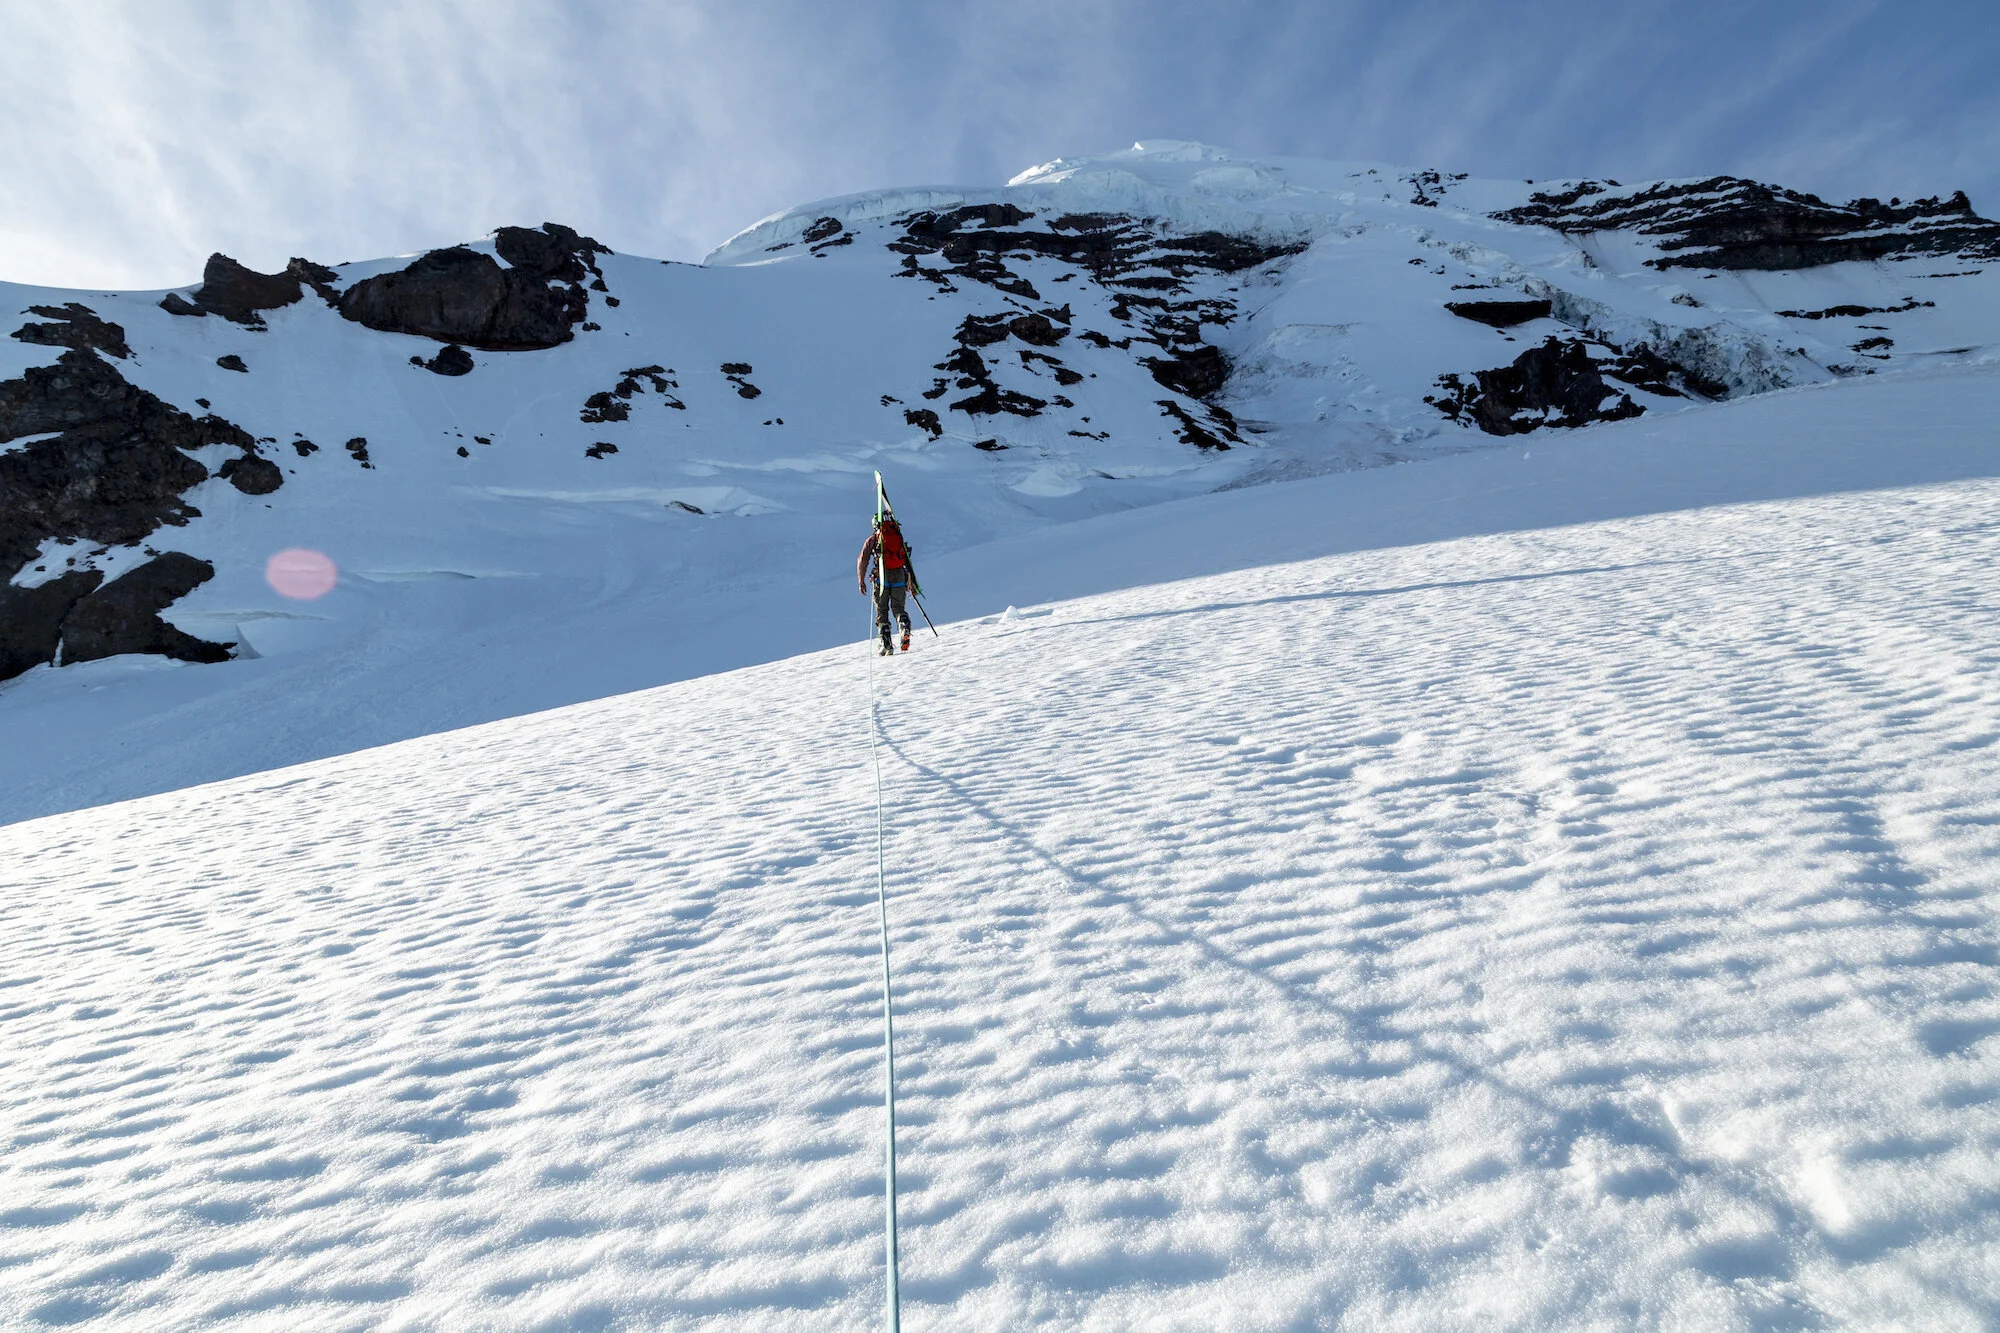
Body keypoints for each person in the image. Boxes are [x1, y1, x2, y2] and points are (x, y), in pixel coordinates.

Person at [857, 515, 914, 655]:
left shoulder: (873, 539)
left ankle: (886, 643)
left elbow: (862, 560)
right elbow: (906, 558)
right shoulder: (897, 537)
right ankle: (903, 624)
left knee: (882, 611)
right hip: (900, 575)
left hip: (881, 577)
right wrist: (912, 582)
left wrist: (861, 580)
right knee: (898, 608)